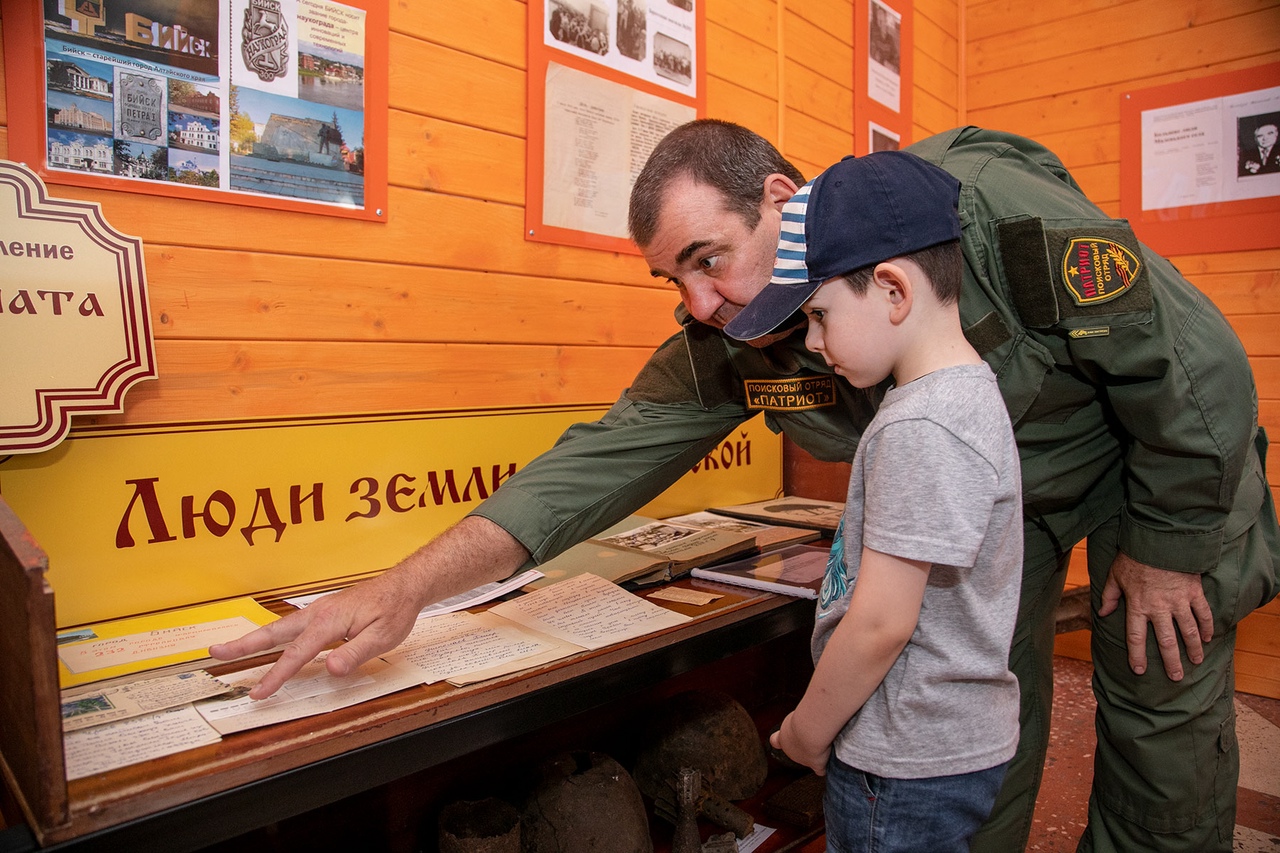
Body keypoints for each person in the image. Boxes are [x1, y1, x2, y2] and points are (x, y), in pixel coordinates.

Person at [211, 120, 1280, 853]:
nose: (703, 300)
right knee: (962, 718)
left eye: (706, 257)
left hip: (1155, 462)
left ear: (780, 197)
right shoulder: (738, 336)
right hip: (984, 507)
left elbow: (1188, 371)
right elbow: (588, 466)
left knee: (1158, 697)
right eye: (671, 278)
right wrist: (400, 589)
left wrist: (1171, 539)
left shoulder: (981, 211)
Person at [749, 151, 1024, 852]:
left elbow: (880, 623)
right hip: (949, 741)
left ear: (894, 289)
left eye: (818, 315)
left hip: (901, 756)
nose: (812, 342)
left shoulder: (921, 423)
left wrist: (809, 729)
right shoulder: (968, 393)